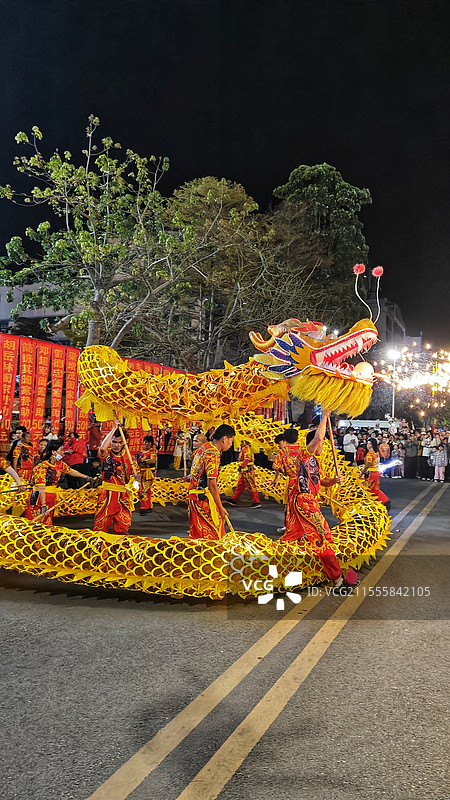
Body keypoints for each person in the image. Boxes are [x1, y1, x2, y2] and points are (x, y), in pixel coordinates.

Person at [273, 411, 358, 591]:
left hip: (303, 501)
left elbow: (322, 480)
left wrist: (334, 481)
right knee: (323, 536)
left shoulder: (314, 461)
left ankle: (274, 570)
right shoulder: (304, 455)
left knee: (292, 538)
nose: (323, 447)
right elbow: (318, 437)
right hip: (304, 502)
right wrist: (325, 414)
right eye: (321, 444)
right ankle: (337, 579)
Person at [26, 439, 93, 523]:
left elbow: (70, 471)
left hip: (51, 496)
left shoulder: (59, 463)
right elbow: (41, 488)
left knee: (48, 523)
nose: (63, 452)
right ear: (54, 452)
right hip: (39, 498)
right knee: (36, 523)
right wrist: (43, 505)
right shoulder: (41, 467)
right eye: (61, 450)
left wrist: (85, 477)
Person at [188, 424, 235, 540]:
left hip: (194, 496)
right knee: (212, 536)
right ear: (224, 439)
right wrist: (220, 507)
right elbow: (212, 485)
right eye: (231, 441)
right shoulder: (212, 454)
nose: (231, 445)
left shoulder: (205, 447)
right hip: (203, 499)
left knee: (198, 534)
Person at [93, 425, 140, 534]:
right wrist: (114, 428)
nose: (116, 445)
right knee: (100, 527)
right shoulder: (107, 454)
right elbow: (102, 448)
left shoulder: (130, 457)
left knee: (123, 527)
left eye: (119, 442)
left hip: (123, 496)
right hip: (107, 496)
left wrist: (137, 478)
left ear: (124, 442)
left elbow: (136, 474)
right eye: (114, 442)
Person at [226, 439, 261, 508]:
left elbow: (247, 459)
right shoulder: (246, 448)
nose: (240, 443)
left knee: (251, 486)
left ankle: (256, 501)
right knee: (241, 484)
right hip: (245, 470)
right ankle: (234, 499)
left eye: (241, 442)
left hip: (248, 471)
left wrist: (242, 466)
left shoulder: (246, 449)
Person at [137, 435, 157, 514]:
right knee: (141, 489)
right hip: (142, 473)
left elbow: (154, 460)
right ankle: (145, 505)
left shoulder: (152, 452)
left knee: (145, 490)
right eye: (145, 442)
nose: (146, 443)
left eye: (148, 442)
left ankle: (146, 507)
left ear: (151, 443)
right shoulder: (142, 452)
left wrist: (146, 461)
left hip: (148, 474)